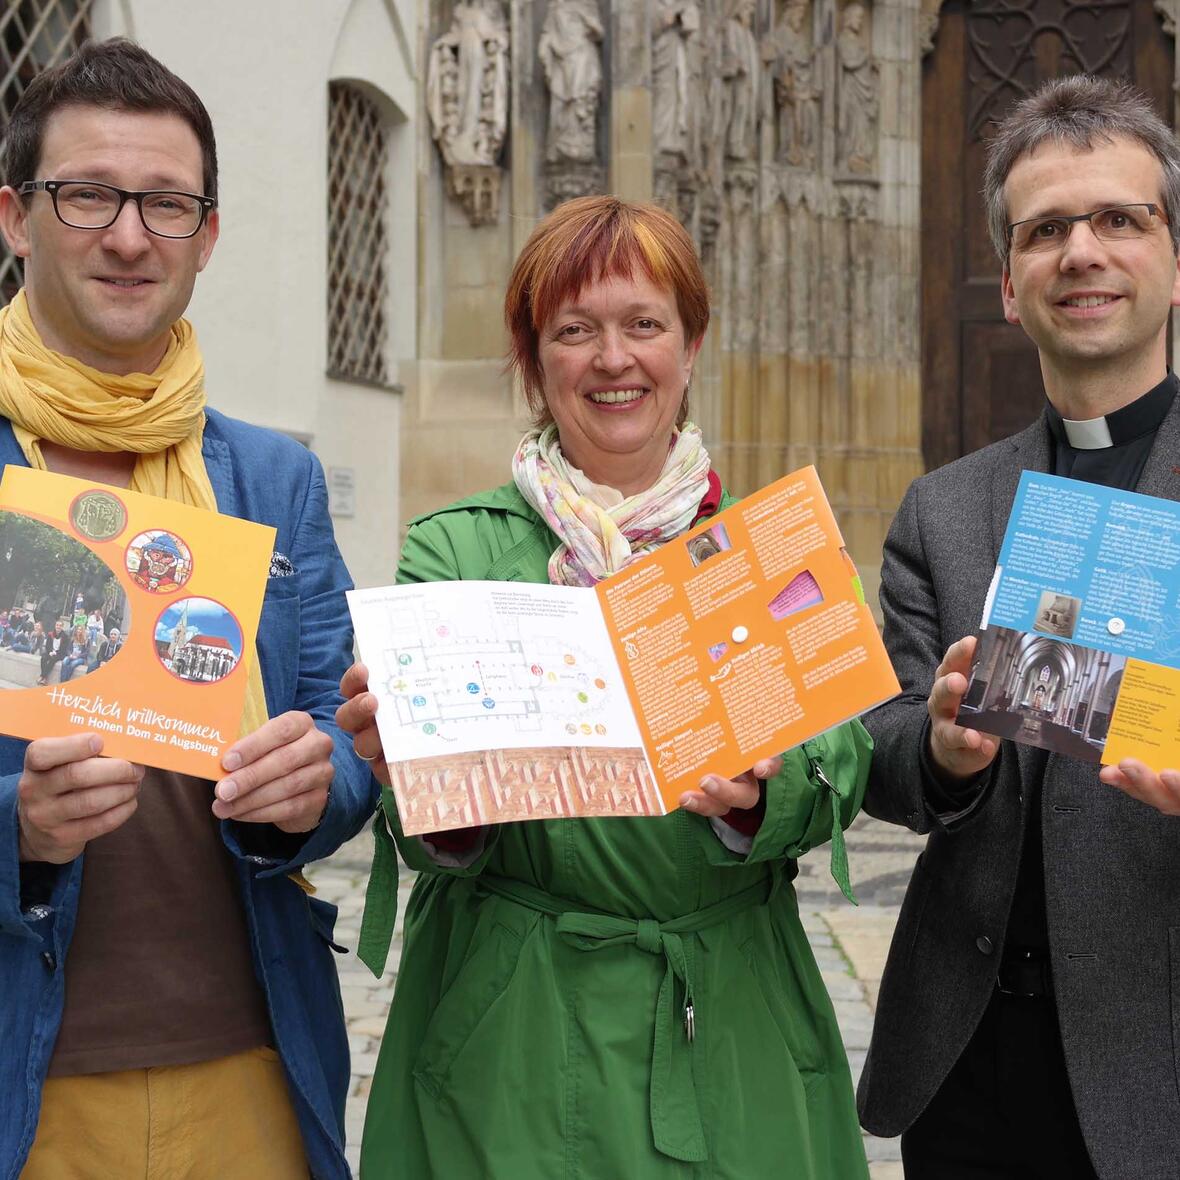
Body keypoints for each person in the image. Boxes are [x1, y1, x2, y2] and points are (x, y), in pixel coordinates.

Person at [337, 195, 874, 1179]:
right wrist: (418, 773)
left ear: (692, 342)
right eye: (574, 330)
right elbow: (423, 832)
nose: (613, 358)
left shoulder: (764, 541)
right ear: (533, 357)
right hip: (515, 1018)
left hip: (728, 1007)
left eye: (643, 324)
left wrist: (768, 789)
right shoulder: (455, 547)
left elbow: (844, 752)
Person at [0, 38, 376, 1179]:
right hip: (25, 1069)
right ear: (15, 218)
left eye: (166, 204)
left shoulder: (272, 480)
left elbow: (346, 735)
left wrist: (309, 788)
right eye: (89, 196)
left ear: (206, 236)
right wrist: (14, 826)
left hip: (247, 1058)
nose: (128, 235)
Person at [857, 75, 1180, 1179]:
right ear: (1008, 283)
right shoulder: (945, 511)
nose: (1080, 251)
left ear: (1175, 263)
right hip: (969, 1061)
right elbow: (881, 749)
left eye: (1119, 219)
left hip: (1161, 1057)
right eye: (1045, 230)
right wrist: (941, 751)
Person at [36, 619, 67, 685]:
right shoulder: (51, 634)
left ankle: (43, 676)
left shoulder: (65, 636)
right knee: (43, 658)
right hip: (51, 651)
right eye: (57, 625)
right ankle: (44, 677)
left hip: (59, 653)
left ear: (62, 627)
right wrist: (50, 652)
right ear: (55, 626)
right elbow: (48, 645)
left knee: (52, 660)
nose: (58, 627)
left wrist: (55, 652)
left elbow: (64, 649)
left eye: (60, 626)